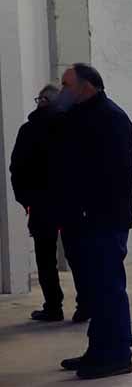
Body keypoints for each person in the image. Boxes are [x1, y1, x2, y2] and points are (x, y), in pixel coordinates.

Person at [50, 64, 132, 380]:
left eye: (66, 85)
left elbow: (115, 175)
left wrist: (89, 210)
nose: (62, 91)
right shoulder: (79, 117)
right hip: (81, 218)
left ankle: (117, 355)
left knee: (109, 287)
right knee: (94, 290)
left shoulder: (112, 119)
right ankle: (98, 350)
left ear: (86, 87)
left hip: (103, 219)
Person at [9, 84, 84, 322]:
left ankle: (53, 306)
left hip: (41, 203)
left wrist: (25, 200)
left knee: (45, 258)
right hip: (70, 201)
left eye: (40, 98)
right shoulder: (73, 127)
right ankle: (86, 305)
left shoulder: (29, 130)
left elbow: (17, 168)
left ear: (43, 101)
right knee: (78, 256)